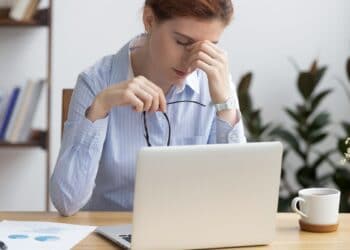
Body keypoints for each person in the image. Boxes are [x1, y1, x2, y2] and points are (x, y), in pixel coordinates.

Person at [50, 0, 246, 216]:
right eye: (182, 42)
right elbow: (66, 202)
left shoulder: (216, 84)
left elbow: (237, 200)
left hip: (190, 236)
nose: (191, 61)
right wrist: (101, 107)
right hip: (108, 237)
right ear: (149, 20)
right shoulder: (96, 82)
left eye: (208, 48)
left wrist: (225, 106)